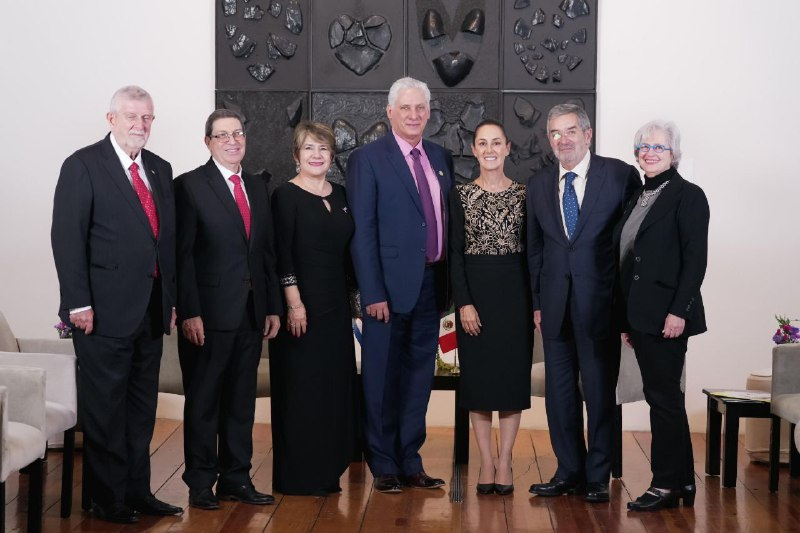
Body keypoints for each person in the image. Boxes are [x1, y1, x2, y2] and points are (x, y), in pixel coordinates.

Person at [51, 86, 182, 523]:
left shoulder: (160, 168)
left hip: (150, 309)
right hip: (101, 313)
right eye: (131, 116)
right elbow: (67, 238)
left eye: (147, 118)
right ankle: (107, 499)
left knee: (141, 408)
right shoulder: (83, 165)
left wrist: (170, 300)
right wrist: (77, 304)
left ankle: (136, 492)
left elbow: (166, 242)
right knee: (106, 409)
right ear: (111, 119)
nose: (140, 125)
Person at [527, 103, 641, 503]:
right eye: (555, 133)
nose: (563, 140)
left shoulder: (620, 176)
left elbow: (631, 246)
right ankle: (568, 472)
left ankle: (597, 476)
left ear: (588, 134)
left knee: (598, 394)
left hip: (601, 307)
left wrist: (626, 308)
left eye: (571, 131)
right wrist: (537, 303)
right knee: (560, 398)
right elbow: (535, 250)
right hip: (554, 308)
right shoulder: (538, 184)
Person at [346, 77, 454, 493]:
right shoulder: (368, 158)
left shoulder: (439, 156)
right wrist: (372, 292)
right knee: (381, 378)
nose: (413, 115)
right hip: (387, 291)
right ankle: (383, 462)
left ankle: (410, 460)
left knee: (417, 379)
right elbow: (363, 231)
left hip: (431, 285)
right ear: (390, 112)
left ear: (428, 112)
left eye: (420, 108)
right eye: (405, 108)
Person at [175, 108, 281, 510]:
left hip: (251, 313)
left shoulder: (256, 186)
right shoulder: (188, 186)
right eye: (222, 135)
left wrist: (271, 306)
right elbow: (182, 255)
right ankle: (201, 482)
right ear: (208, 142)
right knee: (204, 402)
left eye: (237, 133)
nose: (232, 141)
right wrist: (189, 311)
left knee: (240, 403)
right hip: (207, 314)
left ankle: (237, 478)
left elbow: (265, 253)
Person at [615, 120, 708, 511]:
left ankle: (665, 484)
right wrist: (625, 320)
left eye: (659, 147)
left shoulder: (688, 196)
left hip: (668, 316)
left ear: (674, 154)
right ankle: (683, 480)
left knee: (663, 399)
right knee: (666, 397)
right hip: (640, 316)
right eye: (644, 147)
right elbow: (628, 260)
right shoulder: (638, 195)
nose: (650, 153)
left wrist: (677, 312)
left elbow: (695, 261)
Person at [269, 121, 357, 496]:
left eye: (323, 148)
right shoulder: (284, 196)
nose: (316, 155)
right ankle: (299, 477)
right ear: (296, 155)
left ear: (332, 155)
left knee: (333, 388)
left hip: (336, 306)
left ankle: (328, 471)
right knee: (302, 391)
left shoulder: (341, 194)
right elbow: (282, 254)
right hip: (301, 309)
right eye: (309, 148)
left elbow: (349, 254)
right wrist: (294, 304)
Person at [449, 119, 533, 496]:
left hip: (515, 296)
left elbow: (532, 253)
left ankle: (505, 460)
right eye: (482, 143)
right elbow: (454, 254)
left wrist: (534, 304)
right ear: (473, 150)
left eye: (496, 142)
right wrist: (464, 303)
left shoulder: (525, 194)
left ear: (508, 148)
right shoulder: (460, 195)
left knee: (511, 382)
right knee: (479, 383)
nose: (489, 149)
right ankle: (485, 460)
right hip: (476, 295)